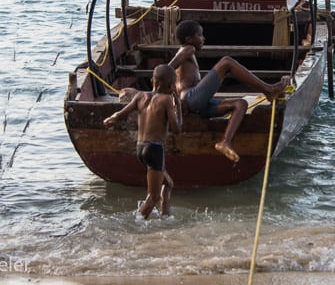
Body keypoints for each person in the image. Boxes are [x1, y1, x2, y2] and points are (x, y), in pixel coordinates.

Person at [169, 20, 290, 163]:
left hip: (199, 106)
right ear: (189, 39)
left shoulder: (189, 53)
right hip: (189, 99)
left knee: (241, 104)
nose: (203, 39)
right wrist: (173, 101)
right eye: (200, 35)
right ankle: (268, 90)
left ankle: (225, 142)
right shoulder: (188, 49)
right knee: (226, 62)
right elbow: (167, 69)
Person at [103, 65, 182, 218]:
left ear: (152, 80)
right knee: (153, 197)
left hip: (140, 148)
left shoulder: (140, 96)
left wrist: (110, 119)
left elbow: (122, 113)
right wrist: (178, 105)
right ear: (171, 85)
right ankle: (136, 222)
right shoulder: (166, 100)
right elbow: (176, 129)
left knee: (168, 184)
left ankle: (166, 217)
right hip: (155, 149)